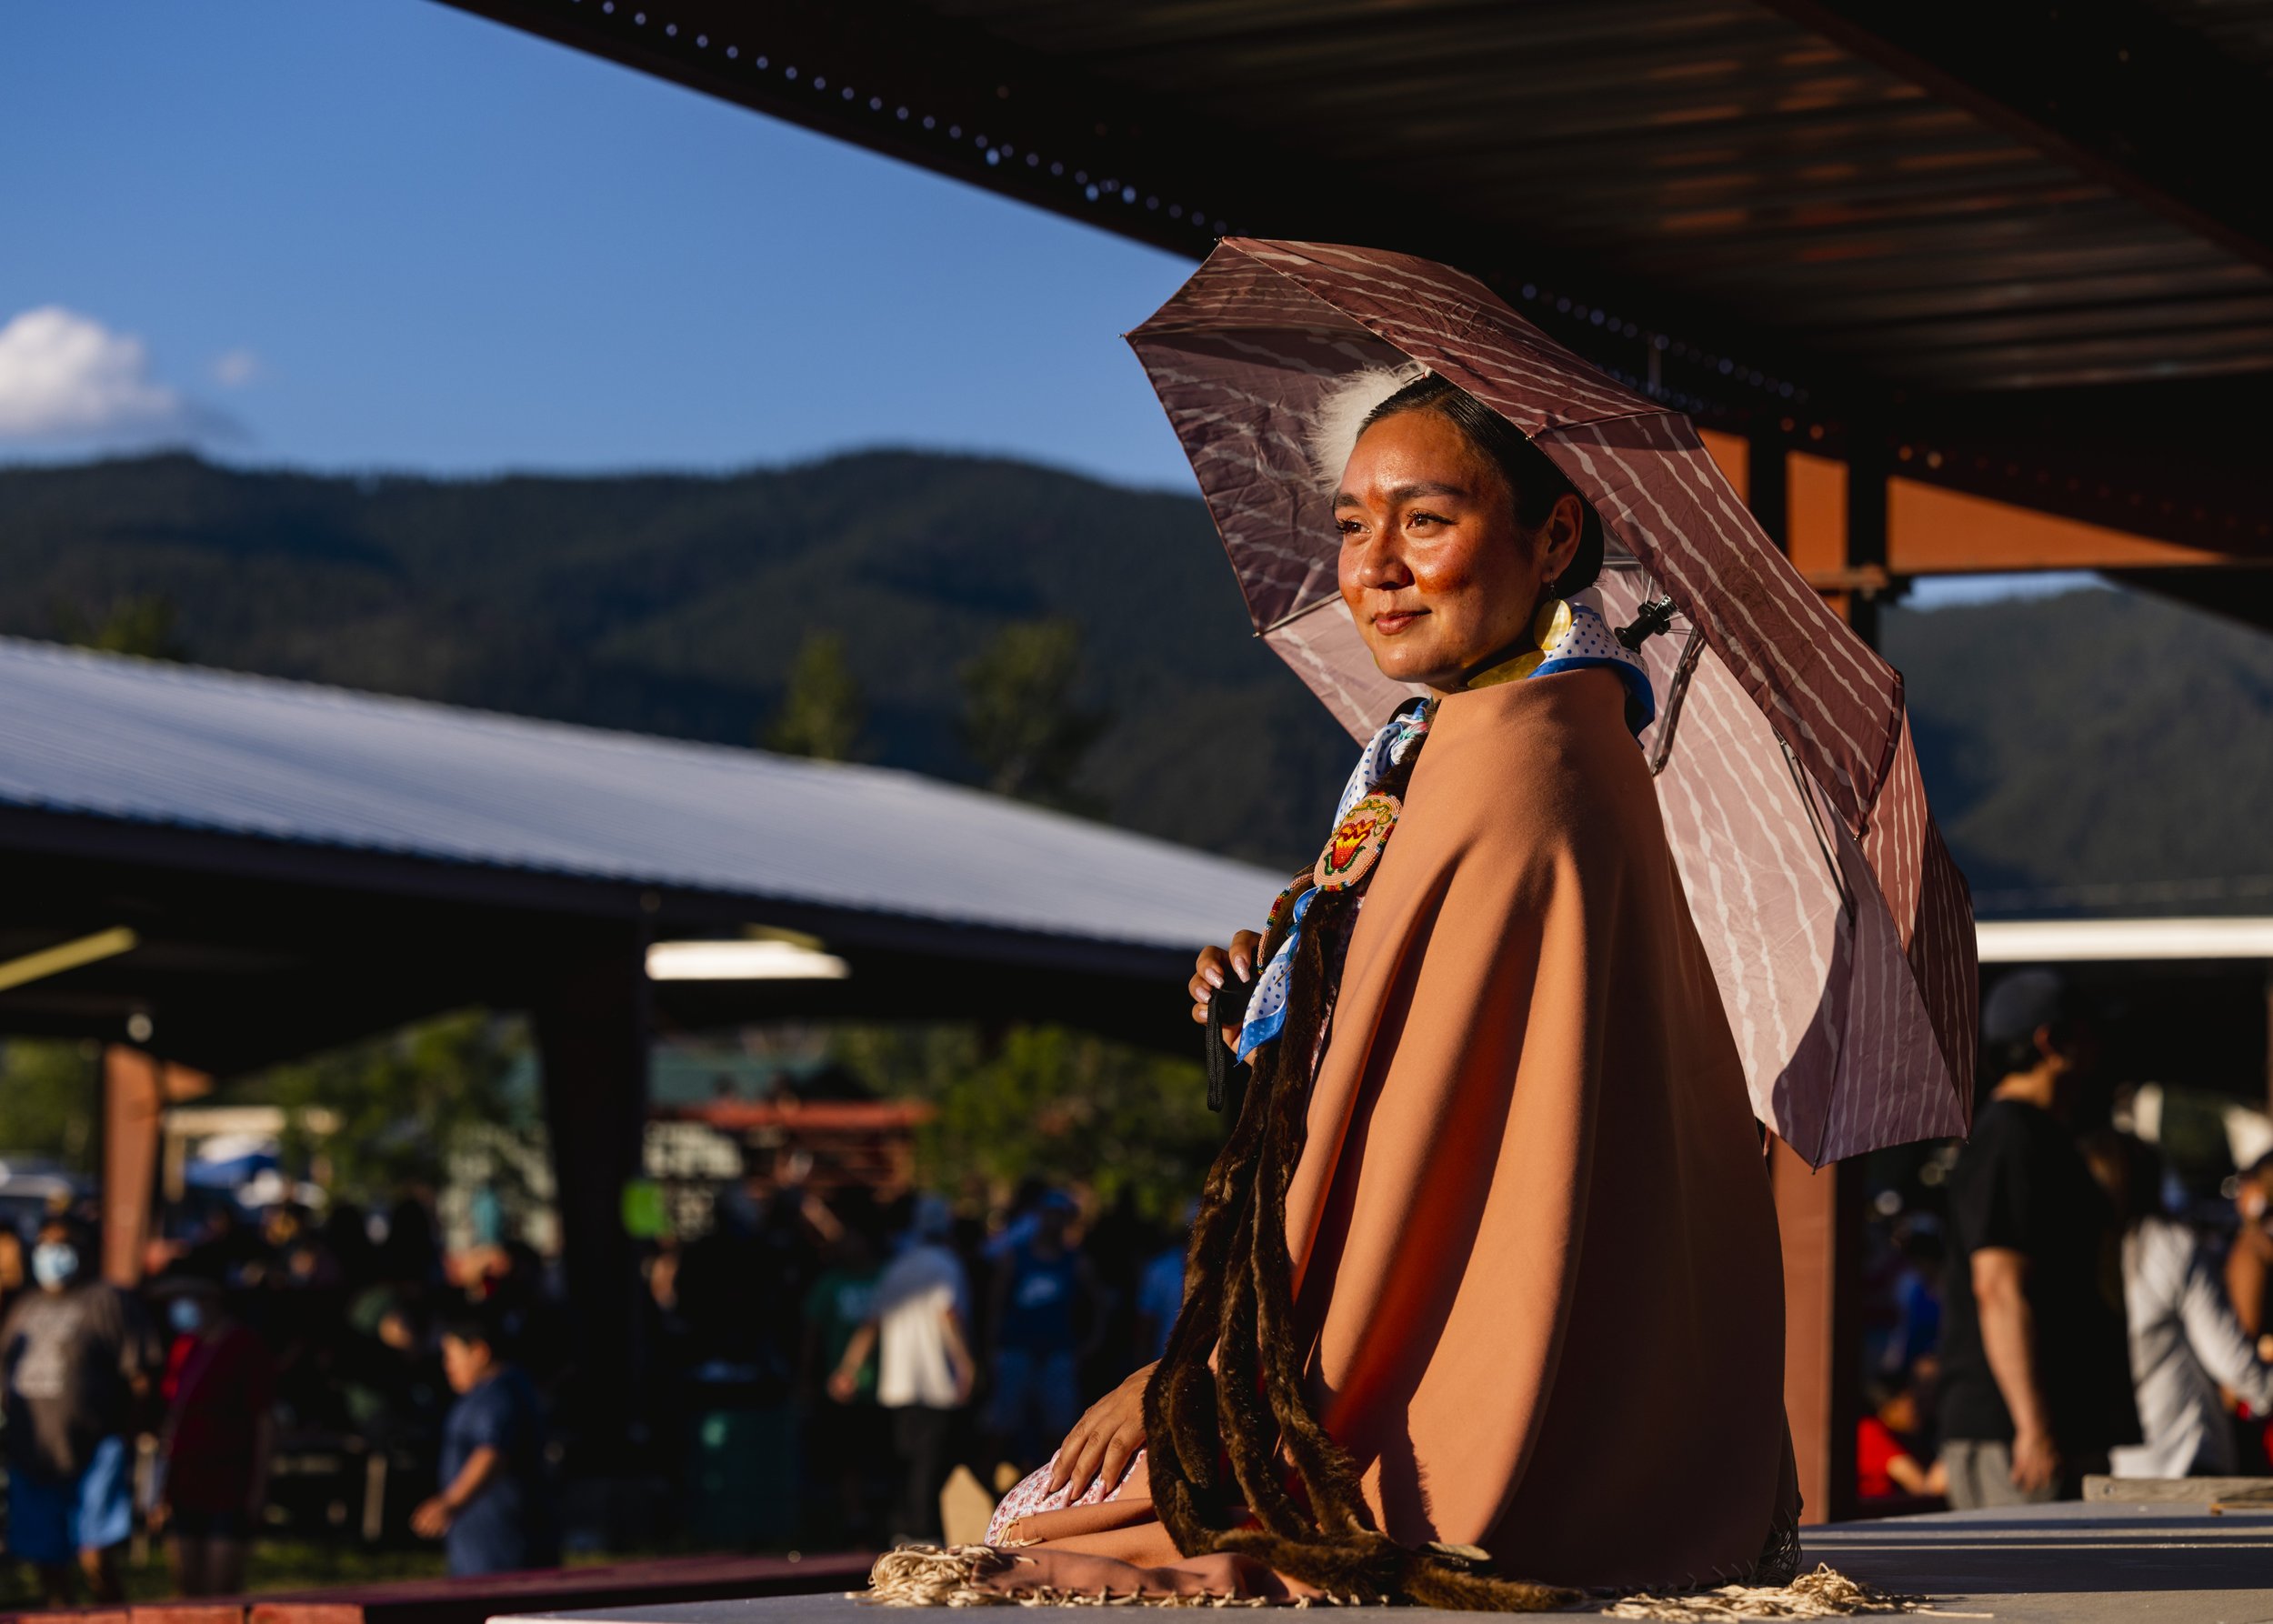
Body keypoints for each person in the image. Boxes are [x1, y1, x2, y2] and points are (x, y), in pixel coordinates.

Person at [971, 368, 1792, 1602]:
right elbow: (1393, 1026)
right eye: (1352, 524)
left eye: (1427, 520)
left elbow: (1411, 1136)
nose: (1375, 568)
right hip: (1621, 1431)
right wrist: (1281, 978)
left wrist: (1207, 1372)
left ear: (1553, 535)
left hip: (1455, 1406)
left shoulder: (1512, 756)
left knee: (1053, 1519)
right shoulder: (1479, 733)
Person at [1936, 970, 2138, 1509]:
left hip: (2049, 1430)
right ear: (2051, 1043)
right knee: (2027, 1567)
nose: (2099, 1049)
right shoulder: (2010, 1136)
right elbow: (1998, 1286)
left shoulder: (2040, 1136)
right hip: (2015, 1440)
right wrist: (2033, 1426)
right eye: (2089, 1033)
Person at [2083, 1132, 2273, 1478]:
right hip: (2185, 1454)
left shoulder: (2082, 1256)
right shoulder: (2169, 1245)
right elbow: (2229, 1358)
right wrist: (2265, 1390)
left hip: (2120, 1466)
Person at [0, 1218, 158, 1605]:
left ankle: (113, 1615)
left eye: (63, 1244)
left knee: (95, 1554)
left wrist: (131, 1432)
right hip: (33, 1454)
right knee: (45, 1559)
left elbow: (141, 1376)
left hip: (95, 1450)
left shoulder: (107, 1301)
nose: (52, 1254)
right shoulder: (25, 1306)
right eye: (45, 1244)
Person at [833, 1196, 974, 1544]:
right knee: (930, 1462)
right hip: (936, 1382)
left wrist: (848, 1368)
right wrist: (965, 1363)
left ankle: (903, 1528)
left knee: (904, 1461)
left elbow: (872, 1323)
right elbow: (949, 1314)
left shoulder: (898, 1267)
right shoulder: (947, 1264)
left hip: (899, 1383)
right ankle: (923, 1533)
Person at [150, 1274, 275, 1595]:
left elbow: (263, 1422)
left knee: (221, 1592)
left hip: (228, 1482)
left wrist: (258, 1489)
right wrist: (159, 1490)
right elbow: (173, 1418)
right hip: (184, 1481)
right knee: (186, 1588)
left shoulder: (244, 1346)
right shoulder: (184, 1347)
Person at [412, 1305, 558, 1576]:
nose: (447, 1365)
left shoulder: (498, 1396)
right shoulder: (488, 1393)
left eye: (451, 1355)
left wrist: (451, 1502)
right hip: (480, 1548)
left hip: (503, 1550)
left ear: (479, 1352)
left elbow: (492, 1452)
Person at [985, 1191, 1097, 1471]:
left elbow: (1099, 1302)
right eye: (1050, 1215)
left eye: (1060, 1216)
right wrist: (991, 1348)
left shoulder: (1076, 1262)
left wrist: (1091, 1343)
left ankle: (1052, 1481)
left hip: (1058, 1354)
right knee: (1002, 1425)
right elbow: (994, 1304)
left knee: (1058, 1430)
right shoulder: (1015, 1257)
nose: (1054, 1222)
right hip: (1016, 1351)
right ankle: (991, 1481)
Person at [1857, 1381, 1944, 1500]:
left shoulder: (1905, 1437)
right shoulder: (1870, 1432)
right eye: (1910, 1405)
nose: (1918, 1410)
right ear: (1889, 1408)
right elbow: (1921, 1486)